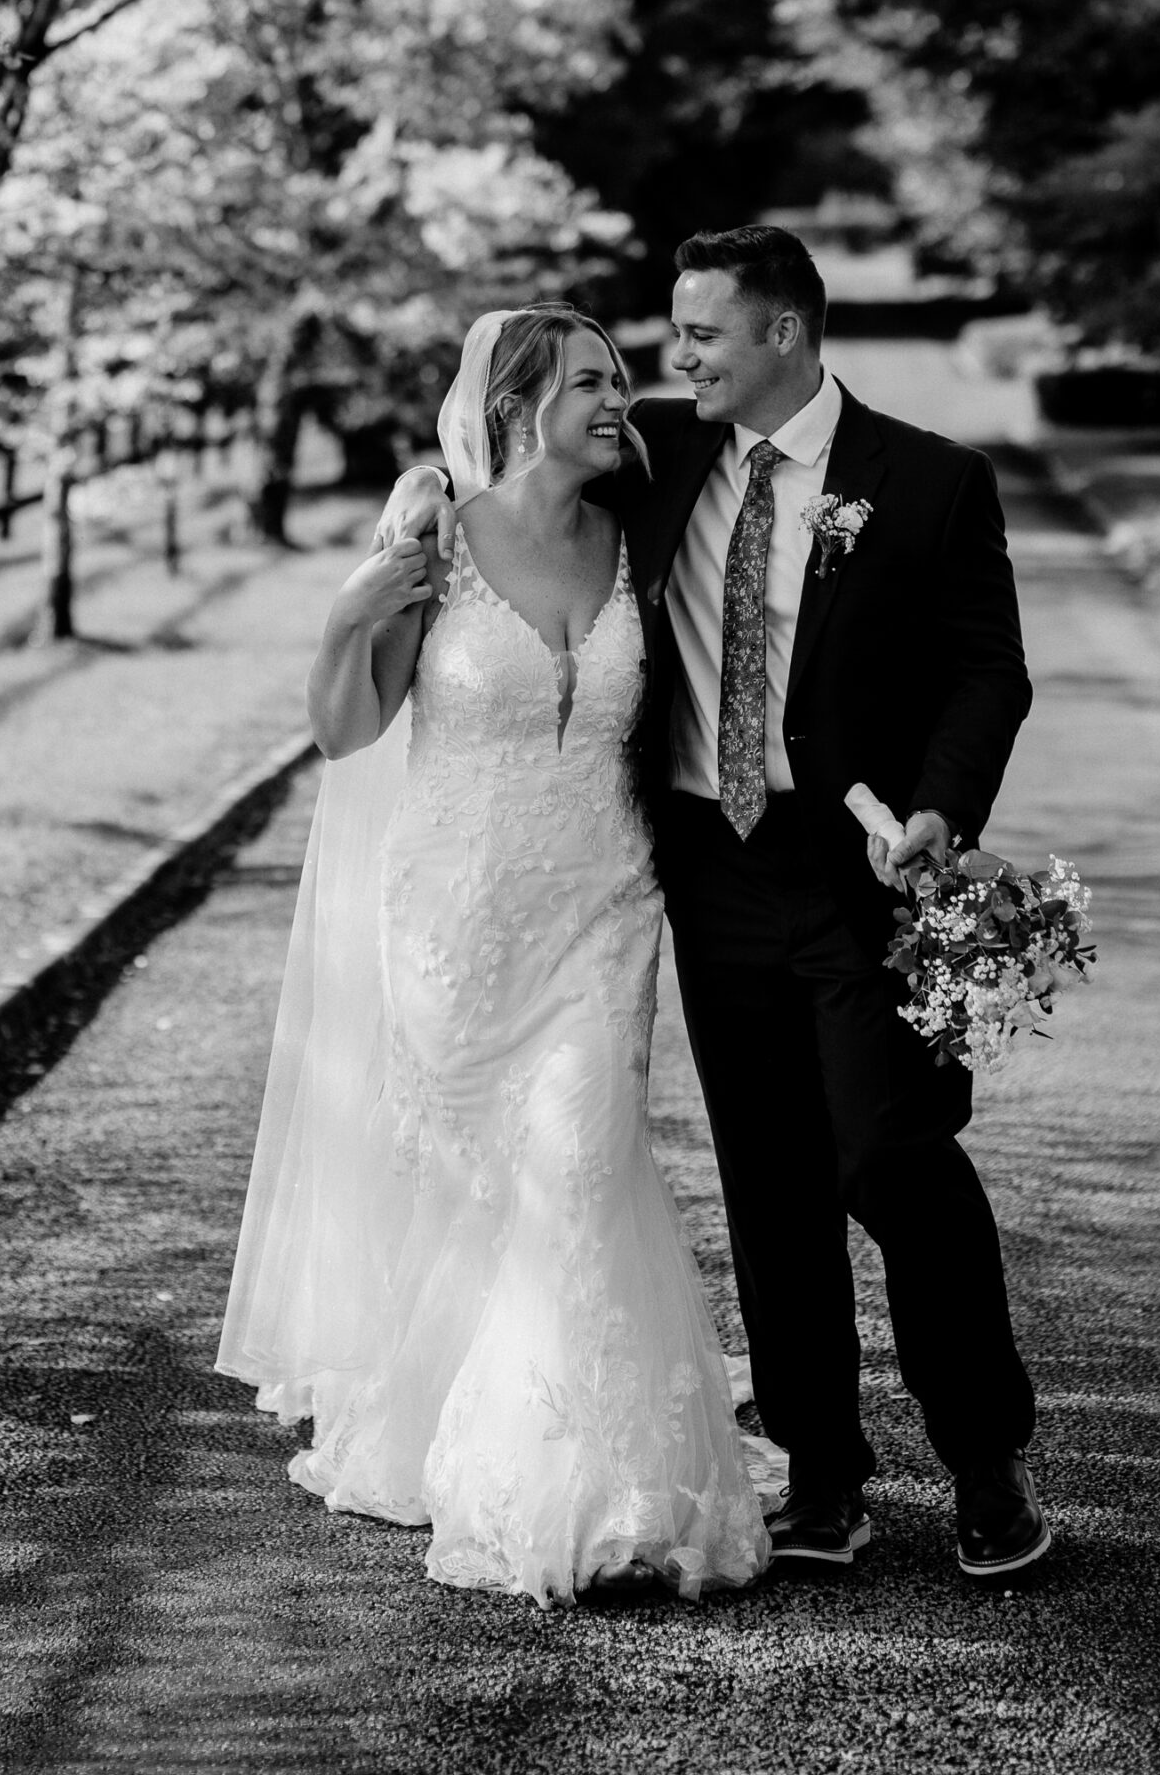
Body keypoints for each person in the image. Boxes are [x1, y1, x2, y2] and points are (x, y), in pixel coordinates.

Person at [379, 227, 1047, 1580]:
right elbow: (521, 460)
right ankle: (821, 1475)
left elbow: (989, 673)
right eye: (672, 343)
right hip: (705, 868)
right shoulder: (663, 455)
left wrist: (938, 809)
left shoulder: (930, 482)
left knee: (892, 1156)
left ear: (786, 336)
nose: (675, 364)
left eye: (703, 338)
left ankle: (986, 1461)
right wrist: (424, 486)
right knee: (773, 1180)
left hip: (860, 875)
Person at [216, 304, 770, 1610]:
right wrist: (351, 609)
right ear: (518, 403)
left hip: (605, 907)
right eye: (589, 381)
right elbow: (347, 729)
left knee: (579, 1166)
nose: (619, 398)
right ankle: (442, 1420)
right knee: (476, 1187)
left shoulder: (641, 541)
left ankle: (590, 1481)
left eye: (623, 378)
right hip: (454, 919)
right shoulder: (438, 539)